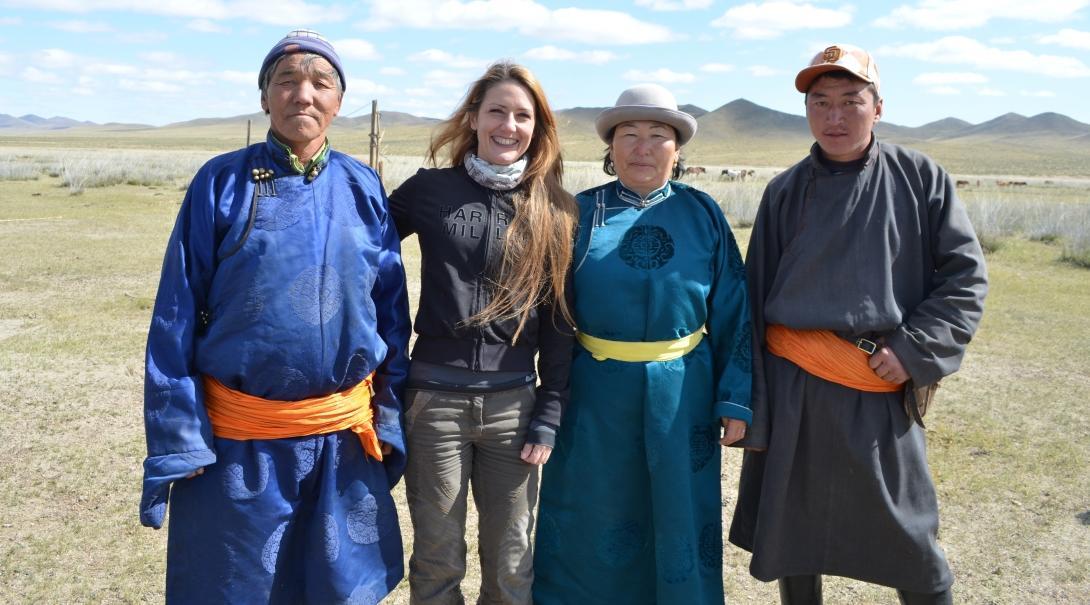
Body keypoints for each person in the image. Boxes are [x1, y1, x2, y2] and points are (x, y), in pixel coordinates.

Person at [138, 30, 410, 604]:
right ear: (264, 97)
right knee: (237, 586)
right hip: (240, 439)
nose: (303, 95)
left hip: (339, 437)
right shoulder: (221, 182)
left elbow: (390, 310)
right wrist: (178, 435)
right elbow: (175, 313)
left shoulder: (362, 185)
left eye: (321, 83)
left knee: (337, 587)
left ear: (340, 102)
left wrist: (389, 414)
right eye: (286, 81)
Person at [728, 44, 988, 604]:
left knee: (911, 542)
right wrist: (751, 405)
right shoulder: (784, 191)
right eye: (820, 103)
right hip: (793, 384)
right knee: (792, 533)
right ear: (807, 112)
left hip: (877, 384)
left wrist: (915, 347)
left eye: (851, 101)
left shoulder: (920, 178)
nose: (835, 117)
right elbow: (752, 302)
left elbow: (965, 278)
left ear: (878, 106)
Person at [533, 83, 753, 604]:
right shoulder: (575, 215)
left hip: (685, 398)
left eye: (659, 136)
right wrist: (547, 399)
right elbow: (549, 315)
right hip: (594, 395)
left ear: (677, 151)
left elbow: (734, 310)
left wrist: (735, 399)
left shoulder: (704, 214)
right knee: (594, 512)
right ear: (611, 149)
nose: (643, 147)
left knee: (679, 512)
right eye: (628, 135)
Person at [387, 62, 576, 604]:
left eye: (523, 115)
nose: (508, 125)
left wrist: (549, 412)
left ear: (537, 128)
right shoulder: (429, 190)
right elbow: (361, 246)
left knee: (513, 561)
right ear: (473, 118)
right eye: (497, 111)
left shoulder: (556, 208)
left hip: (514, 408)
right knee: (437, 557)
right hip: (434, 405)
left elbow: (561, 321)